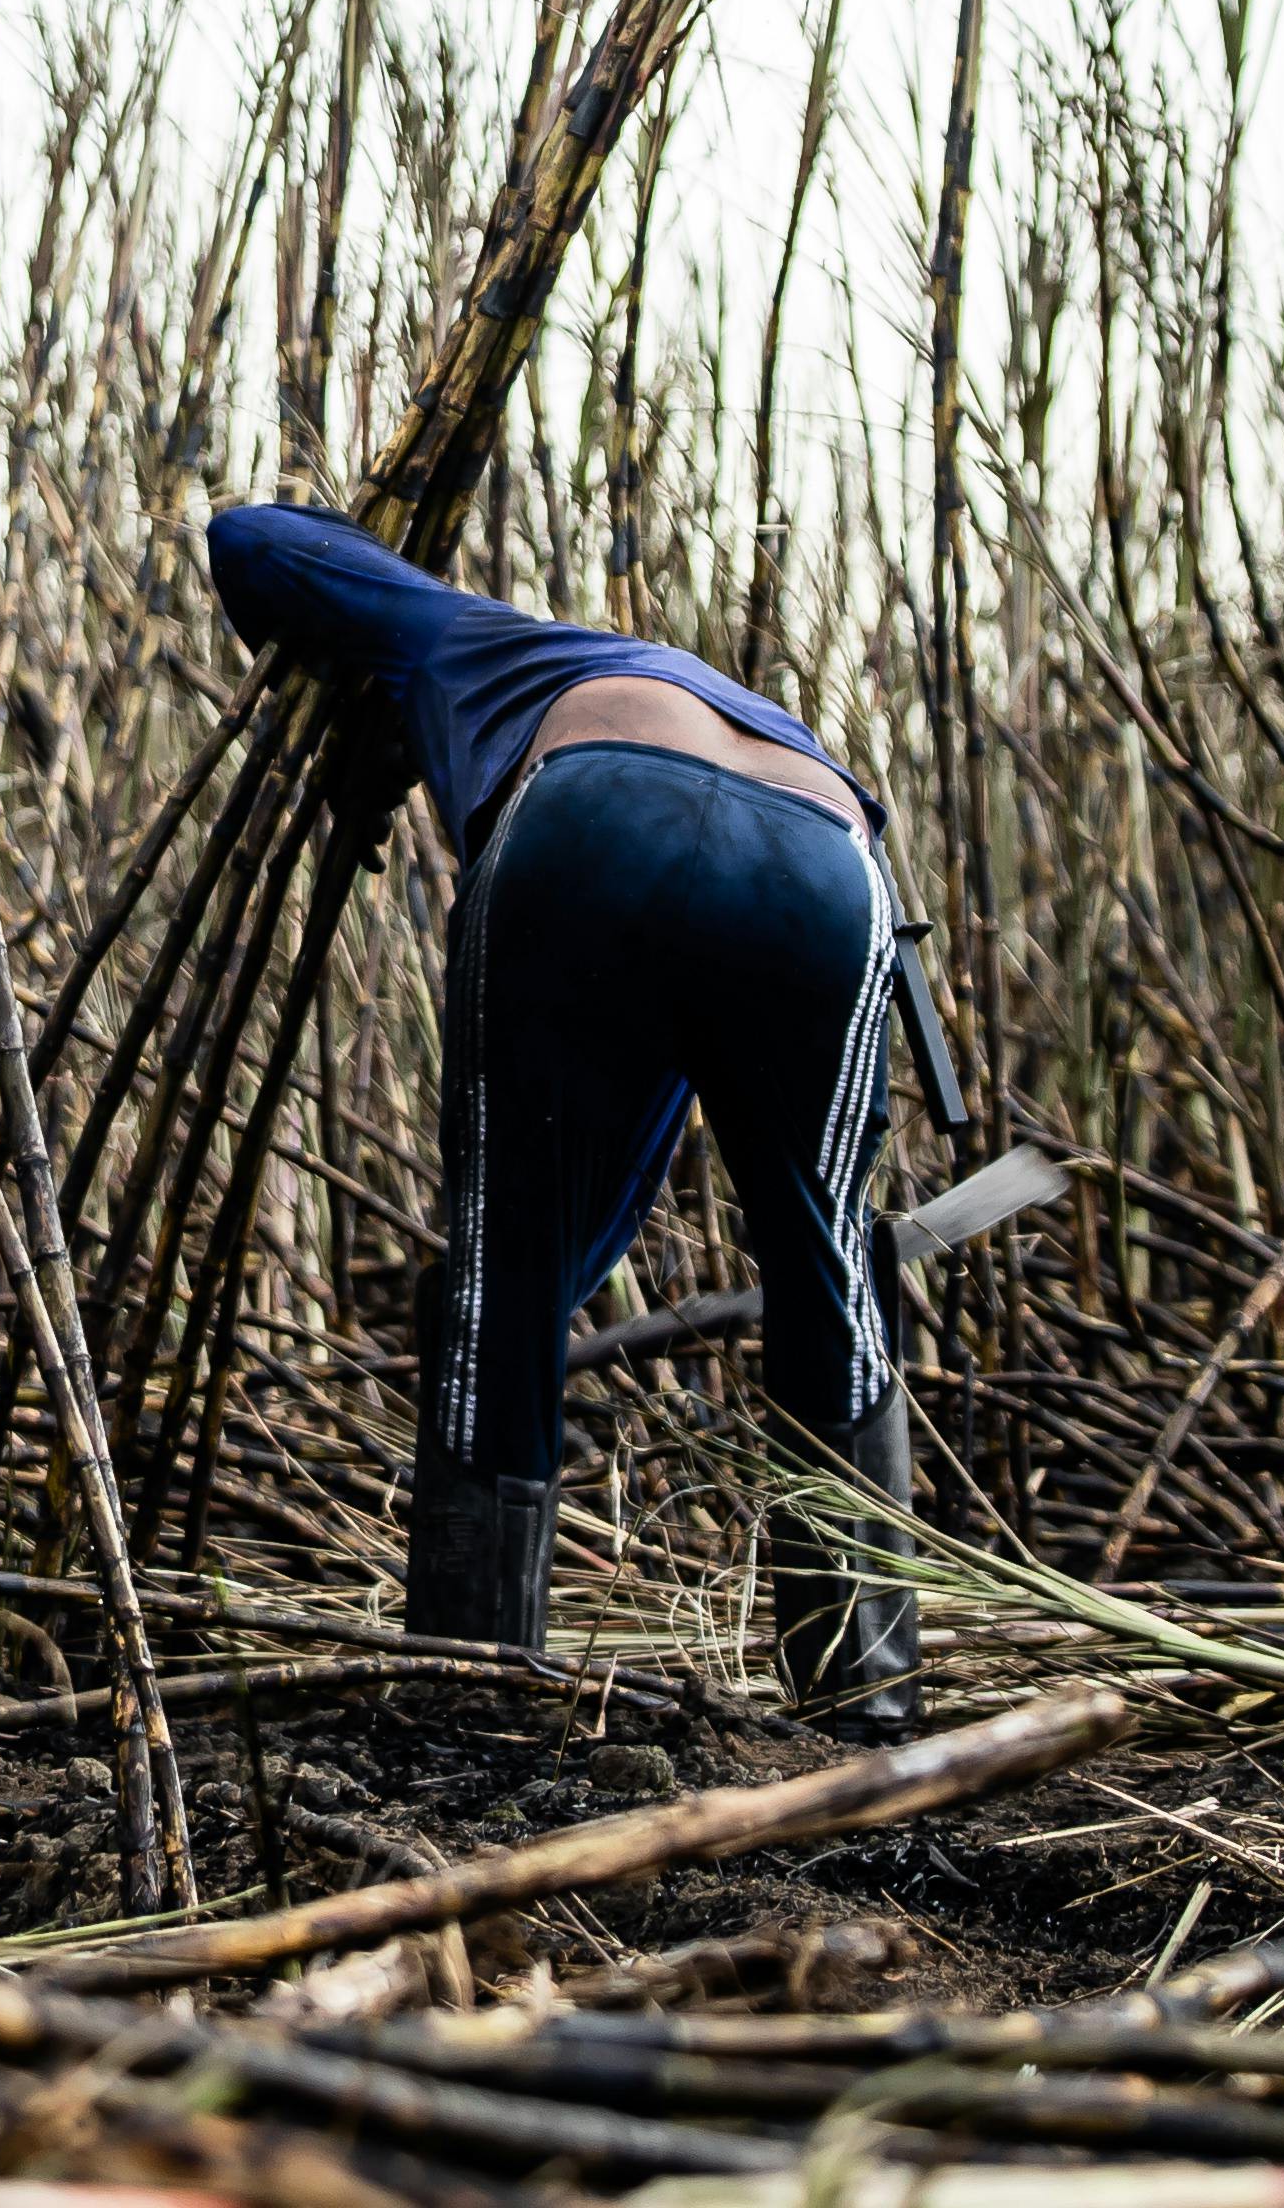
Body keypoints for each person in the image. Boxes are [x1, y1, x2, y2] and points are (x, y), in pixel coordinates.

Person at [205, 500, 922, 1737]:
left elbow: (249, 537)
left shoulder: (473, 640)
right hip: (826, 862)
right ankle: (868, 1702)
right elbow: (631, 1135)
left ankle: (471, 1690)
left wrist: (375, 624)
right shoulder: (729, 708)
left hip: (595, 813)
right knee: (829, 1266)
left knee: (501, 1270)